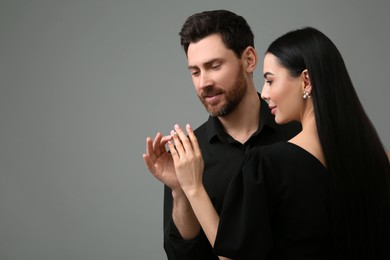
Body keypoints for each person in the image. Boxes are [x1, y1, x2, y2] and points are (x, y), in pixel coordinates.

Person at [168, 27, 390, 259]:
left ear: (306, 81)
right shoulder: (378, 160)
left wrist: (193, 188)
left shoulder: (268, 164)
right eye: (194, 71)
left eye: (270, 81)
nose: (264, 93)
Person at [143, 10, 301, 259]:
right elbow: (184, 257)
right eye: (195, 72)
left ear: (249, 59)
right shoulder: (188, 154)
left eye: (214, 66)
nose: (203, 82)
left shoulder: (298, 134)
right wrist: (180, 190)